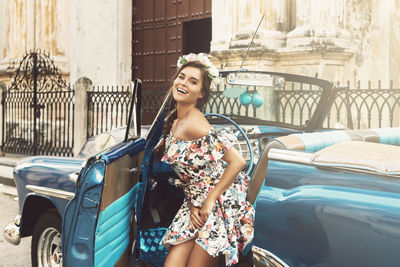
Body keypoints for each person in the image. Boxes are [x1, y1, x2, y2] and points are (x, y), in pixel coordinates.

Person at [153, 53, 255, 267]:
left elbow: (238, 162)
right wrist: (193, 204)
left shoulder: (195, 123)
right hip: (194, 202)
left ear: (201, 93)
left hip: (218, 202)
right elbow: (193, 175)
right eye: (181, 77)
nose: (183, 83)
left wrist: (209, 202)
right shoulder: (175, 120)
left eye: (193, 81)